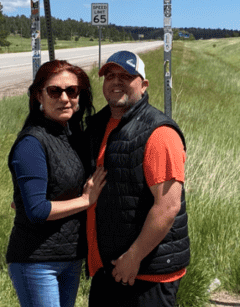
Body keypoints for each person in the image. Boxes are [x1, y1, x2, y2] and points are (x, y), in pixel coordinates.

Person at [84, 51, 190, 307]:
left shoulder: (159, 132)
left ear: (143, 85)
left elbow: (167, 206)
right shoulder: (98, 125)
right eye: (110, 76)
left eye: (126, 76)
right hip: (107, 268)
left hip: (145, 273)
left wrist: (134, 256)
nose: (116, 81)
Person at [6, 60, 106, 307]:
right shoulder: (32, 143)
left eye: (71, 91)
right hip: (37, 261)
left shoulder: (72, 137)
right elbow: (38, 210)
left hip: (70, 256)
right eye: (55, 91)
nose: (64, 98)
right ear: (39, 95)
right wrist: (86, 201)